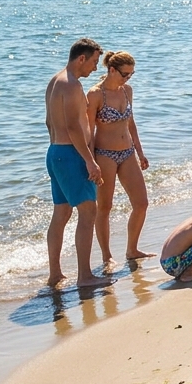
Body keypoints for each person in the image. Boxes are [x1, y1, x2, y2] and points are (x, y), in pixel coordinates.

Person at [44, 38, 111, 288]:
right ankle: (85, 276)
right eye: (94, 62)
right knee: (88, 211)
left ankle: (55, 274)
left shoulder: (55, 81)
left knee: (61, 213)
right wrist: (90, 161)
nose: (95, 68)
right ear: (81, 58)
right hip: (71, 154)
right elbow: (73, 127)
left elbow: (49, 122)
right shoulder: (71, 85)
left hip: (55, 152)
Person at [86, 50, 151, 265]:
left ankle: (132, 249)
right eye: (124, 74)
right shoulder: (95, 94)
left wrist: (140, 152)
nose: (127, 78)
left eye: (131, 75)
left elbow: (131, 124)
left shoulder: (127, 91)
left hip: (127, 152)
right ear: (112, 70)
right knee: (105, 207)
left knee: (141, 203)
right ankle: (106, 257)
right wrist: (91, 161)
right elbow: (89, 131)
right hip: (105, 155)